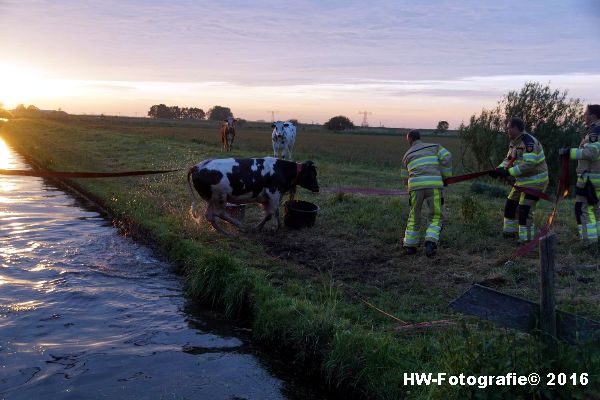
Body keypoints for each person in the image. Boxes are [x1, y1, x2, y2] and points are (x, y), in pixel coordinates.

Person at [489, 117, 548, 243]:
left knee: (524, 210)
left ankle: (526, 240)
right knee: (510, 204)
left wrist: (508, 172)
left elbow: (529, 164)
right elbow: (509, 159)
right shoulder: (514, 142)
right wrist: (499, 170)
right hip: (522, 181)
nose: (507, 130)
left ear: (516, 128)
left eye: (509, 127)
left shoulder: (528, 142)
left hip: (535, 182)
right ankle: (509, 233)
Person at [400, 129, 452, 257]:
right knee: (436, 215)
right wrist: (446, 176)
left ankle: (410, 246)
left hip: (415, 188)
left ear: (410, 140)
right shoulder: (434, 147)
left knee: (414, 215)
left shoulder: (406, 155)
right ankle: (430, 243)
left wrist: (409, 187)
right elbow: (447, 156)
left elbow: (404, 177)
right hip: (434, 186)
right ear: (419, 137)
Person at [559, 104, 600, 244]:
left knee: (582, 209)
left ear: (593, 116)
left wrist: (569, 152)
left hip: (590, 177)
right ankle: (596, 239)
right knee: (595, 208)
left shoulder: (595, 131)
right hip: (596, 177)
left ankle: (588, 241)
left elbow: (591, 152)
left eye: (586, 113)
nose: (584, 116)